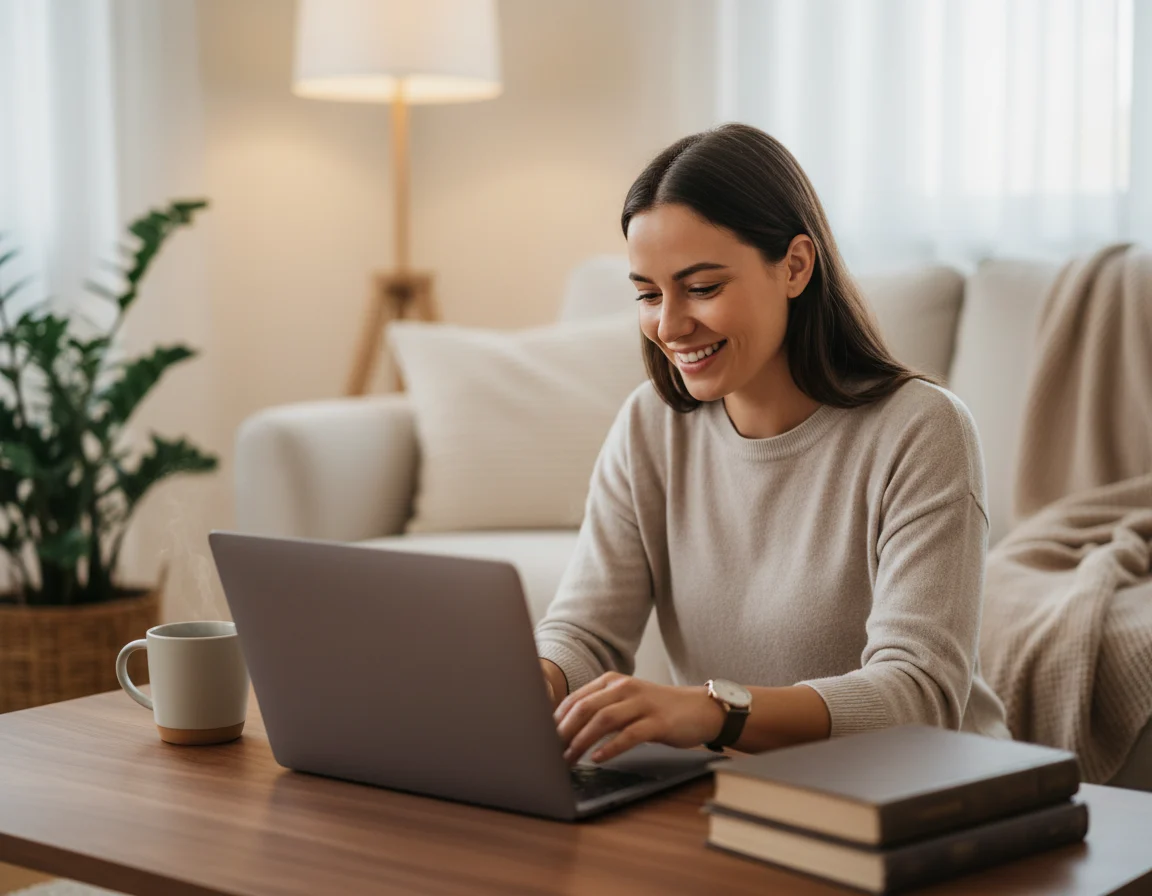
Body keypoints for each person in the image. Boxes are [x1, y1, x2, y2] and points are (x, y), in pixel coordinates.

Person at [535, 123, 1010, 767]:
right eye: (648, 294)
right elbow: (587, 630)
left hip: (927, 796)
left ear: (793, 267)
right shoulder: (651, 425)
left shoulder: (922, 430)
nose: (669, 326)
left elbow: (918, 695)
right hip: (748, 792)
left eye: (702, 287)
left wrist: (712, 710)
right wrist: (537, 679)